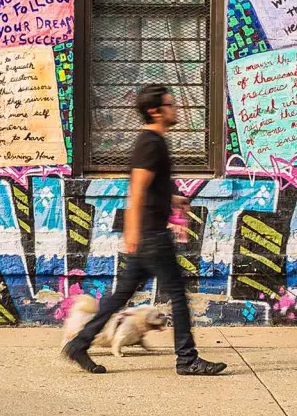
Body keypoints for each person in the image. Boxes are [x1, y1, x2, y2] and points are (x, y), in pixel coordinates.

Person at [61, 84, 227, 376]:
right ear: (155, 111)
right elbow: (136, 190)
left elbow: (151, 187)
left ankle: (79, 344)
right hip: (151, 236)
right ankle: (187, 359)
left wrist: (173, 199)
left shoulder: (155, 142)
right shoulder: (151, 143)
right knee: (177, 295)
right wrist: (132, 233)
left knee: (118, 297)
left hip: (149, 234)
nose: (176, 109)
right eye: (170, 104)